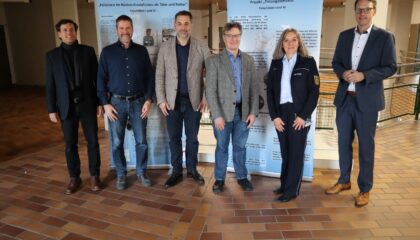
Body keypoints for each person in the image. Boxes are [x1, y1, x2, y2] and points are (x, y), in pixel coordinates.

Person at [325, 0, 397, 207]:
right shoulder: (344, 35)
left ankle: (365, 189)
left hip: (368, 103)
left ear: (374, 12)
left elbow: (391, 67)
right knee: (342, 144)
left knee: (366, 147)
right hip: (345, 99)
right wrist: (343, 73)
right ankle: (344, 180)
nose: (362, 13)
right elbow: (335, 62)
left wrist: (365, 75)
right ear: (355, 12)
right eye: (359, 10)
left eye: (367, 10)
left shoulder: (384, 38)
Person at [97, 15, 155, 190]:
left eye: (127, 28)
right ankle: (121, 174)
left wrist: (149, 100)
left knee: (142, 141)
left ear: (132, 29)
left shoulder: (141, 51)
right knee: (116, 142)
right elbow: (100, 80)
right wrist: (105, 104)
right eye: (121, 28)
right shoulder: (107, 52)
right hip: (115, 104)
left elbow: (149, 78)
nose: (125, 31)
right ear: (116, 30)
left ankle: (141, 172)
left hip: (139, 102)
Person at [46, 19, 102, 194]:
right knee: (70, 144)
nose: (69, 33)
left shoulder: (88, 51)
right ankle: (74, 177)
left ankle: (94, 176)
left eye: (71, 29)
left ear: (75, 31)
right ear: (59, 34)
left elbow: (97, 80)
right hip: (66, 106)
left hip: (87, 104)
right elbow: (50, 84)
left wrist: (100, 102)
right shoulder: (52, 56)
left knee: (93, 141)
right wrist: (51, 109)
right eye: (65, 30)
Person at [155, 10, 210, 188]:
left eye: (186, 23)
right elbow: (160, 75)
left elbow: (211, 73)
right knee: (174, 138)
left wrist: (205, 97)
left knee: (192, 138)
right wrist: (161, 100)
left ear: (191, 25)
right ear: (174, 25)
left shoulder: (201, 46)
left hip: (194, 101)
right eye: (180, 23)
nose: (183, 27)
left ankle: (192, 170)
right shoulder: (165, 47)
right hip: (172, 103)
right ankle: (176, 171)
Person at [266, 28, 320, 202]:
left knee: (296, 153)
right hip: (281, 114)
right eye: (286, 40)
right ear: (282, 44)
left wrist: (303, 116)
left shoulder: (308, 62)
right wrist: (274, 116)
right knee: (285, 152)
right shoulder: (275, 64)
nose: (290, 43)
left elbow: (314, 92)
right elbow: (271, 93)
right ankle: (284, 184)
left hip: (299, 114)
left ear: (299, 42)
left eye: (293, 40)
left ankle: (291, 191)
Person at [206, 22, 259, 193]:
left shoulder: (249, 60)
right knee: (222, 147)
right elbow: (210, 90)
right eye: (229, 35)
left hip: (243, 113)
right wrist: (217, 115)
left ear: (240, 37)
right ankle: (219, 179)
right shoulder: (214, 61)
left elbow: (253, 88)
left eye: (236, 35)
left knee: (240, 147)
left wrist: (253, 112)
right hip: (222, 114)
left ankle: (242, 177)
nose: (233, 39)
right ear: (224, 38)